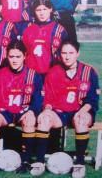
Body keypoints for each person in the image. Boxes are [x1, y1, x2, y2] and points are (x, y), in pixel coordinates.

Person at [31, 39, 100, 178]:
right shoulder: (54, 72)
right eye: (64, 53)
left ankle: (79, 164)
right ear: (59, 54)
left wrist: (81, 112)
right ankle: (39, 162)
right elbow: (48, 99)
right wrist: (47, 109)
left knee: (81, 119)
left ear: (78, 53)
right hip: (60, 113)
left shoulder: (89, 71)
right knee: (44, 118)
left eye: (71, 53)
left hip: (81, 111)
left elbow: (92, 100)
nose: (67, 56)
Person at [0, 40, 43, 173]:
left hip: (23, 111)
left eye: (18, 56)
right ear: (7, 56)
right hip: (5, 112)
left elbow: (38, 99)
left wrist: (32, 111)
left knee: (30, 121)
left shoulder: (33, 75)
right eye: (11, 57)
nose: (14, 60)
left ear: (24, 56)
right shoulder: (0, 74)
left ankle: (26, 161)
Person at [23, 0, 68, 75]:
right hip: (31, 75)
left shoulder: (59, 30)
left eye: (44, 9)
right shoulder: (28, 29)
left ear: (50, 9)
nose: (41, 13)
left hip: (51, 74)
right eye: (38, 10)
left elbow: (65, 55)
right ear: (34, 11)